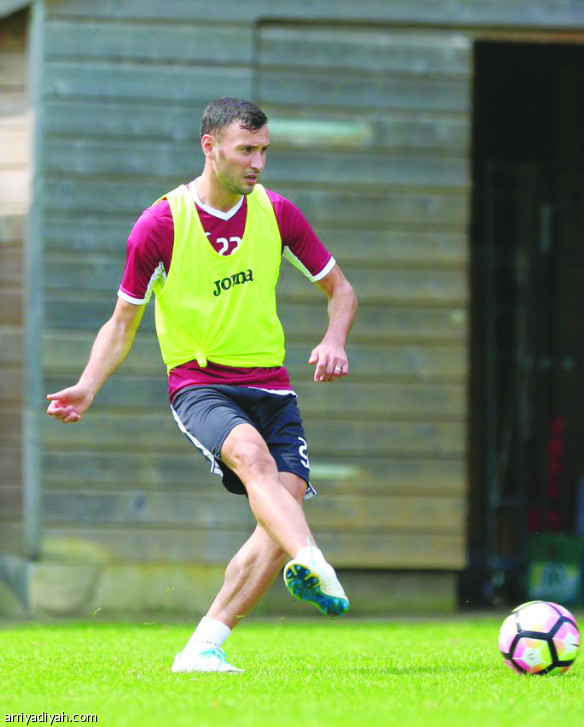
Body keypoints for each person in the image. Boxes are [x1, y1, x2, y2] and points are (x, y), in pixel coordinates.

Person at [46, 97, 358, 673]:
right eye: (246, 150)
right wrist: (88, 384)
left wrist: (334, 339)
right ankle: (315, 561)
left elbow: (341, 290)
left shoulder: (278, 213)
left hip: (273, 386)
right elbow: (122, 322)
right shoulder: (161, 225)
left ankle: (203, 647)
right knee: (252, 459)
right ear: (209, 147)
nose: (257, 162)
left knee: (281, 513)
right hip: (201, 382)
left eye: (264, 150)